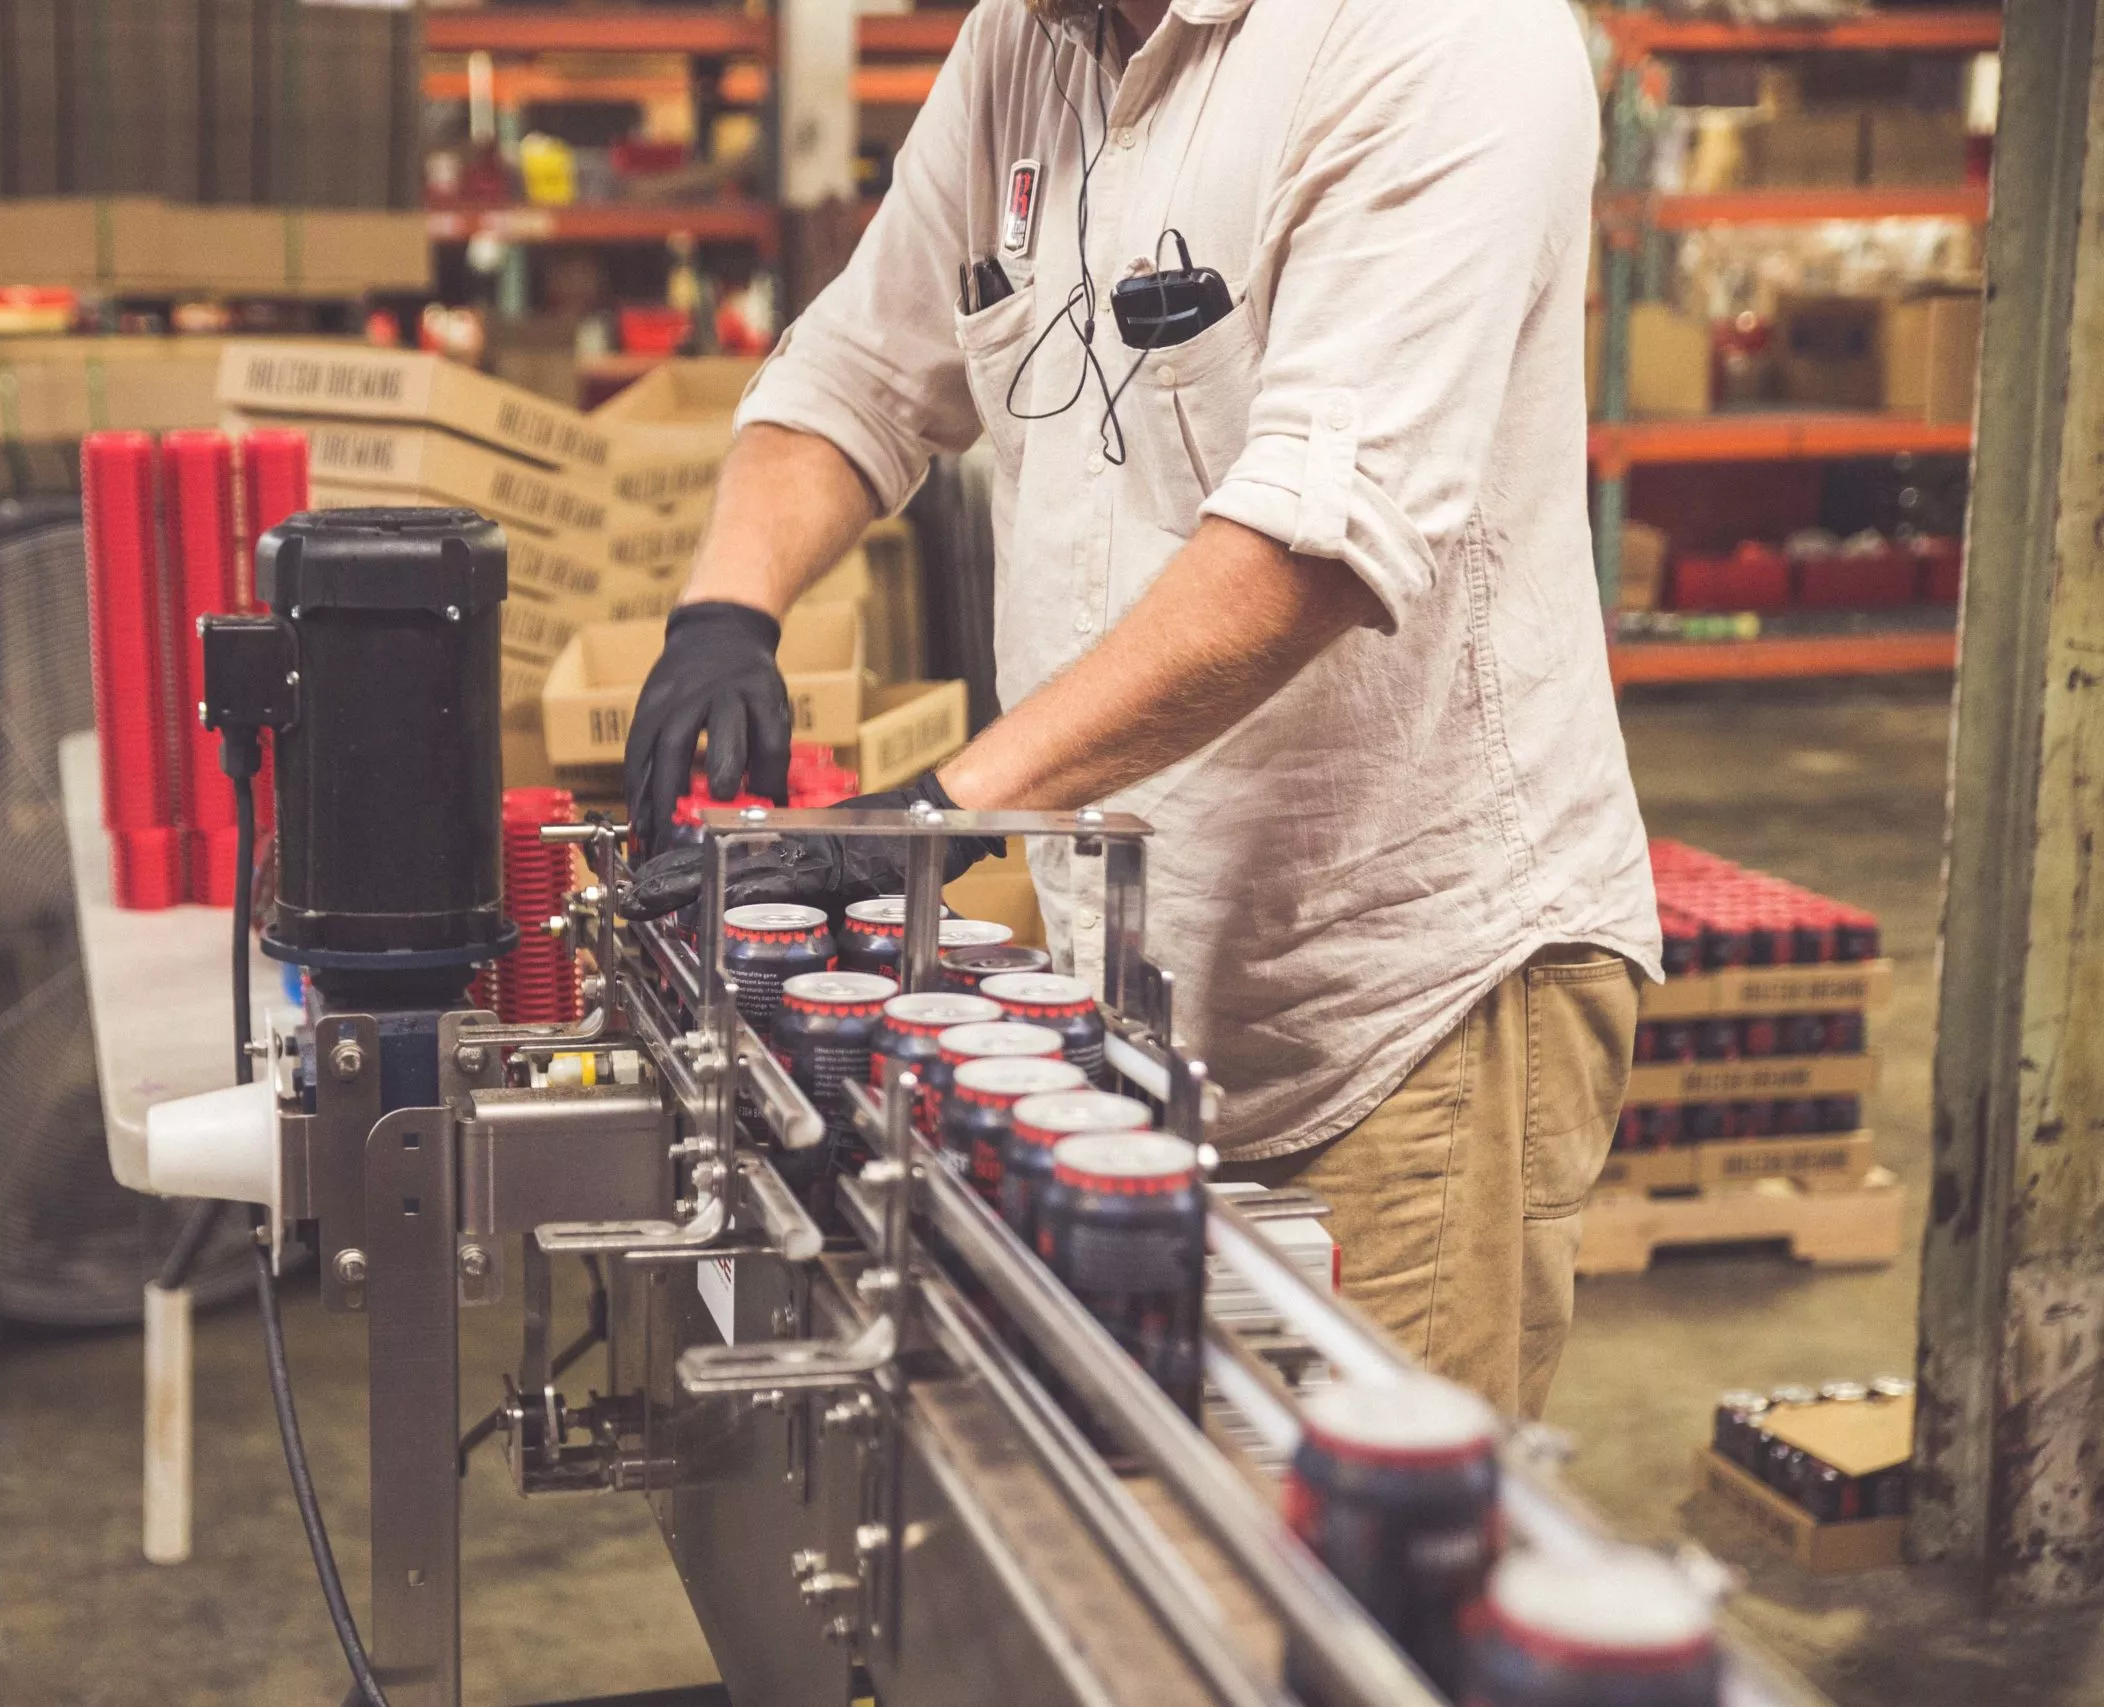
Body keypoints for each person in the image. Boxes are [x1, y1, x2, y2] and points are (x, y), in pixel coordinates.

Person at [618, 0, 1656, 1418]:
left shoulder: (1441, 36)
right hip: (1142, 983)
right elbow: (861, 368)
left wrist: (941, 811)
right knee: (1154, 1542)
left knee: (1334, 1589)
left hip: (1397, 1004)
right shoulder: (1034, 40)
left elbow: (1315, 543)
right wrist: (724, 615)